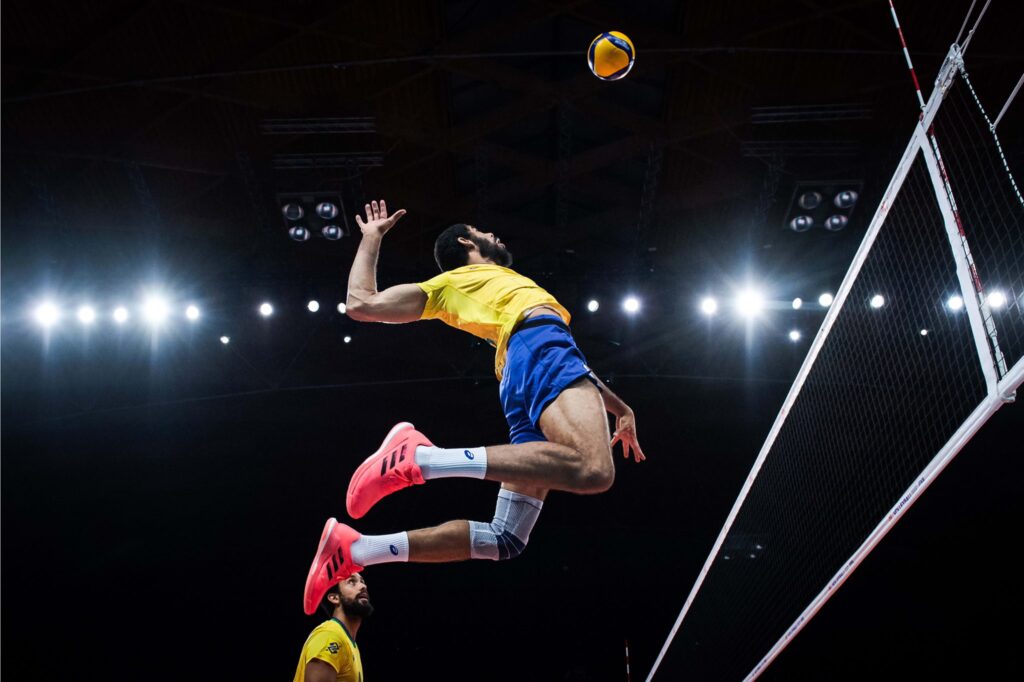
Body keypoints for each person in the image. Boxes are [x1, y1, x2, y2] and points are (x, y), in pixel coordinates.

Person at [303, 199, 645, 615]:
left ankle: (359, 550)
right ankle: (423, 459)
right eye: (483, 231)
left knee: (505, 539)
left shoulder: (487, 287)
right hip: (537, 346)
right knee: (594, 469)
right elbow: (360, 304)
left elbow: (570, 367)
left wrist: (618, 406)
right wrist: (371, 238)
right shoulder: (451, 283)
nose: (494, 235)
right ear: (466, 241)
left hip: (522, 366)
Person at [294, 572, 372, 682]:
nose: (363, 586)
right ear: (335, 598)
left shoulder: (349, 643)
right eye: (351, 582)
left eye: (362, 581)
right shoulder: (330, 635)